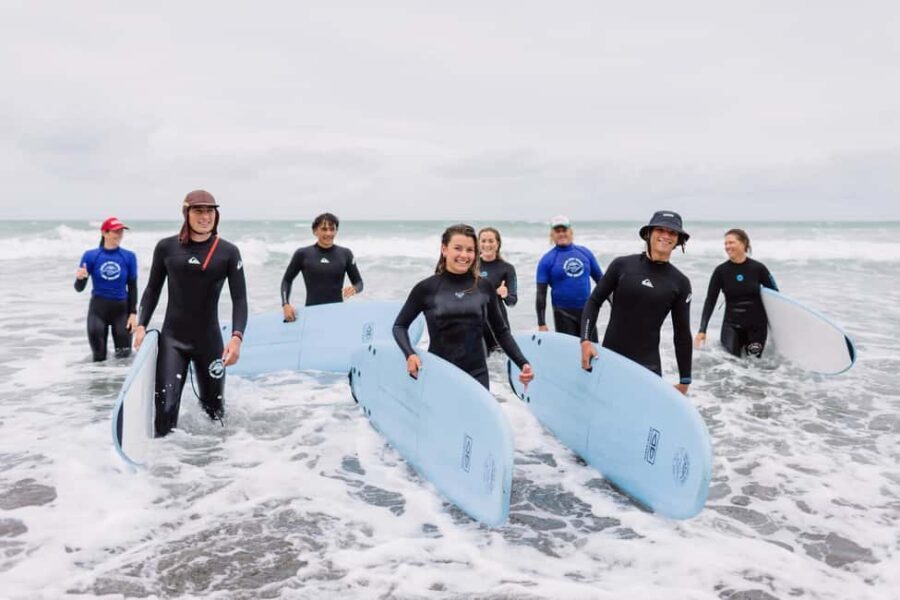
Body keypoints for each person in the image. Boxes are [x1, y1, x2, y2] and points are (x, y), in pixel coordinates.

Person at [134, 190, 248, 437]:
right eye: (198, 211)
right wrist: (141, 324)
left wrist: (237, 338)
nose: (205, 216)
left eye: (210, 211)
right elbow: (152, 289)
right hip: (172, 342)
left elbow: (240, 299)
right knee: (165, 411)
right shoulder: (166, 248)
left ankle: (216, 470)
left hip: (209, 342)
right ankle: (164, 468)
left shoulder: (228, 252)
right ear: (186, 213)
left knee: (214, 414)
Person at [393, 224, 534, 390]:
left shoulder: (484, 286)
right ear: (444, 249)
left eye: (470, 250)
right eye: (458, 248)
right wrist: (410, 354)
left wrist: (523, 363)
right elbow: (400, 326)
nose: (464, 255)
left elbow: (501, 332)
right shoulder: (426, 288)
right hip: (440, 371)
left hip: (477, 373)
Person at [579, 211, 693, 395]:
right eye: (660, 229)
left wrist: (685, 380)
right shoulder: (622, 266)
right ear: (648, 234)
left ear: (678, 240)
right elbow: (594, 301)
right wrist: (585, 341)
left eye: (672, 233)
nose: (666, 235)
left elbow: (681, 333)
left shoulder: (680, 282)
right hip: (611, 359)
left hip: (648, 367)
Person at [694, 228, 779, 358]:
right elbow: (710, 300)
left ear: (743, 243)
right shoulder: (721, 271)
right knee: (731, 365)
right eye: (725, 244)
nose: (727, 246)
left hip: (756, 328)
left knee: (755, 365)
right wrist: (702, 330)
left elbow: (776, 295)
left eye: (731, 242)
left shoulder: (758, 269)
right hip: (731, 326)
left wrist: (781, 329)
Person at [74, 217, 138, 361]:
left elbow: (133, 287)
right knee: (98, 358)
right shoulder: (91, 256)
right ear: (104, 233)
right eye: (116, 231)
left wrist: (133, 313)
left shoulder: (129, 257)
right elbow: (79, 288)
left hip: (122, 312)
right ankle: (97, 383)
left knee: (124, 358)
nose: (120, 234)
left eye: (121, 231)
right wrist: (80, 278)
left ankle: (120, 383)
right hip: (98, 311)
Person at [281, 212, 364, 321]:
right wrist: (286, 304)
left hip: (337, 313)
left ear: (336, 231)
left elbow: (359, 283)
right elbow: (287, 280)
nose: (329, 233)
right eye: (324, 229)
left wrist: (355, 289)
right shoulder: (303, 254)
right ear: (315, 231)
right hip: (311, 314)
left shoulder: (345, 254)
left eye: (332, 229)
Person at [535, 216, 603, 341]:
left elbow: (602, 282)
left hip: (587, 312)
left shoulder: (585, 253)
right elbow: (541, 294)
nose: (561, 234)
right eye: (557, 231)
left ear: (571, 232)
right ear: (552, 235)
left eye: (564, 230)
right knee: (570, 355)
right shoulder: (547, 260)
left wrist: (615, 305)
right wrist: (542, 323)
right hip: (563, 314)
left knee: (594, 351)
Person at [478, 227, 518, 352]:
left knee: (499, 366)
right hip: (476, 323)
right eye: (483, 241)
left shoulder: (507, 268)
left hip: (498, 324)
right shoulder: (471, 266)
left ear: (498, 243)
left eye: (491, 241)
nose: (487, 244)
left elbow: (512, 301)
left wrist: (505, 295)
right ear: (478, 243)